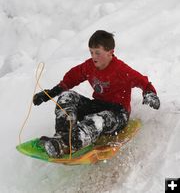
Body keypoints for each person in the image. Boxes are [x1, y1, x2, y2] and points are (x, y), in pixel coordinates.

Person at [33, 30, 160, 158]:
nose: (94, 56)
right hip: (98, 106)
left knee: (97, 120)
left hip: (117, 113)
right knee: (68, 96)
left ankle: (67, 145)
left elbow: (142, 81)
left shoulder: (121, 70)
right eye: (91, 52)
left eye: (97, 53)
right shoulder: (89, 66)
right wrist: (49, 94)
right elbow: (71, 78)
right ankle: (62, 136)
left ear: (110, 52)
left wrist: (150, 94)